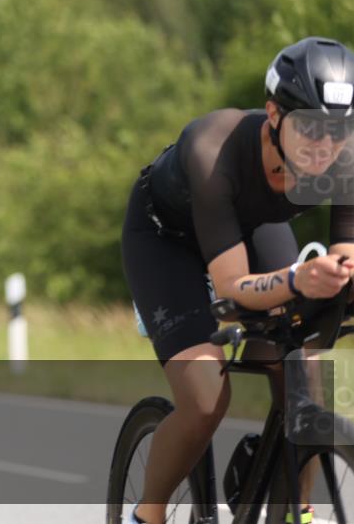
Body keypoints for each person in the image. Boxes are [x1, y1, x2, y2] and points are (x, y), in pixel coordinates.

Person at [121, 37, 354, 524]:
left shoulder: (345, 158)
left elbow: (345, 260)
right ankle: (149, 513)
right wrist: (298, 278)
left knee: (306, 377)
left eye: (339, 131)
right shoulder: (214, 148)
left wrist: (332, 284)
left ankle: (290, 510)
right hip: (167, 240)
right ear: (273, 114)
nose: (325, 147)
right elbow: (232, 288)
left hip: (251, 225)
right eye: (310, 129)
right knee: (206, 396)